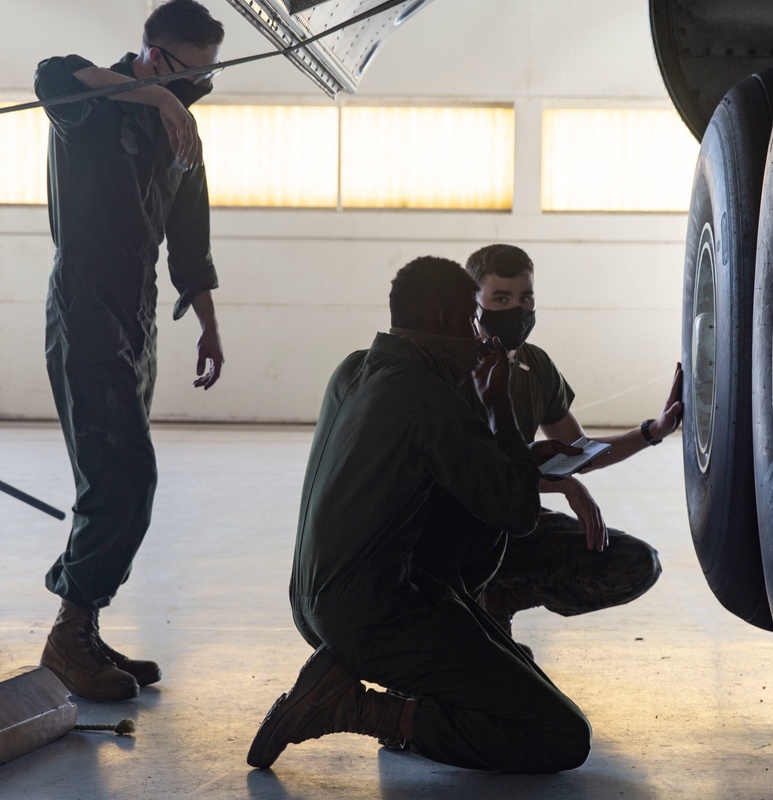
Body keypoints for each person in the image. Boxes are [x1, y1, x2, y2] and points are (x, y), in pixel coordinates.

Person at [246, 256, 591, 773]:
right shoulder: (427, 399)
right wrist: (499, 409)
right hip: (373, 615)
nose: (480, 343)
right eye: (472, 324)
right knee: (563, 734)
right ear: (442, 320)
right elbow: (518, 511)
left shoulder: (355, 368)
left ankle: (350, 670)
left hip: (313, 601)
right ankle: (364, 708)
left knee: (520, 671)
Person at [34, 0, 226, 702]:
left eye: (207, 76)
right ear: (152, 52)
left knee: (111, 478)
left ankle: (79, 623)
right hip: (84, 306)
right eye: (186, 73)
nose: (195, 89)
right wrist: (148, 94)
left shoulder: (182, 124)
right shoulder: (95, 105)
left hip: (136, 313)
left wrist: (206, 320)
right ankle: (69, 634)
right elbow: (49, 72)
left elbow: (190, 230)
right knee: (125, 478)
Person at [465, 244, 682, 649]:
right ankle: (464, 615)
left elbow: (576, 451)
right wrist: (561, 486)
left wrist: (654, 430)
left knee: (637, 564)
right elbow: (472, 472)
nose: (517, 309)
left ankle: (500, 599)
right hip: (456, 529)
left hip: (513, 524)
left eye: (525, 297)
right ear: (473, 301)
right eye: (501, 298)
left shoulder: (536, 366)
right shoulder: (455, 367)